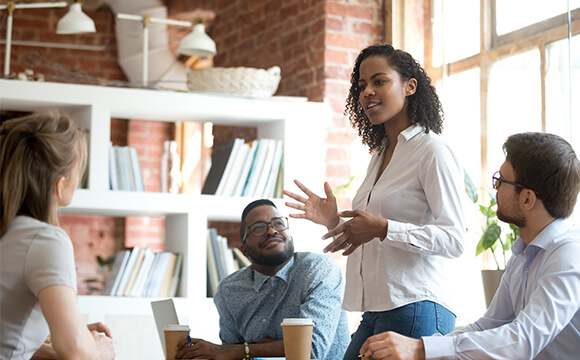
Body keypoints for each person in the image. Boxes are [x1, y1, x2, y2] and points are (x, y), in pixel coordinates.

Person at [284, 43, 465, 359]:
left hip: (417, 305)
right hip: (378, 309)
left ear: (410, 86)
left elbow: (454, 239)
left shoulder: (431, 151)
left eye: (379, 81)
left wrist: (383, 228)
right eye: (361, 85)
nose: (367, 92)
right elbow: (372, 232)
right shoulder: (380, 156)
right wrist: (332, 221)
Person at [360, 132, 580, 360]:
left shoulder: (568, 255)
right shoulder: (524, 254)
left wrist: (419, 350)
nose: (495, 187)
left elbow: (523, 339)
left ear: (527, 199)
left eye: (501, 181)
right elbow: (487, 326)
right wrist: (418, 346)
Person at [0, 112, 116, 360]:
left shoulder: (10, 232)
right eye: (78, 171)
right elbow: (77, 354)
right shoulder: (45, 240)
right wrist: (96, 350)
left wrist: (72, 335)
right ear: (60, 184)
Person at [175, 199, 350, 360]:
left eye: (279, 224)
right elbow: (228, 354)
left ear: (291, 237)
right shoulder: (229, 290)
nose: (272, 231)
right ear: (244, 250)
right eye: (258, 228)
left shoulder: (318, 269)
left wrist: (247, 350)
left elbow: (310, 350)